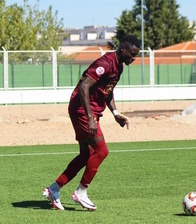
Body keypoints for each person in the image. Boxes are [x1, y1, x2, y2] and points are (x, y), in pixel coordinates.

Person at [43, 34, 141, 211]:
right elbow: (84, 87)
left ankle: (54, 188)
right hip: (82, 110)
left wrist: (116, 113)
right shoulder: (104, 63)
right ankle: (81, 192)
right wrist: (89, 118)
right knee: (102, 151)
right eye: (132, 54)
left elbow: (107, 91)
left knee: (86, 155)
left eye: (136, 55)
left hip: (88, 110)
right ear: (123, 49)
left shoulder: (119, 66)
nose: (133, 58)